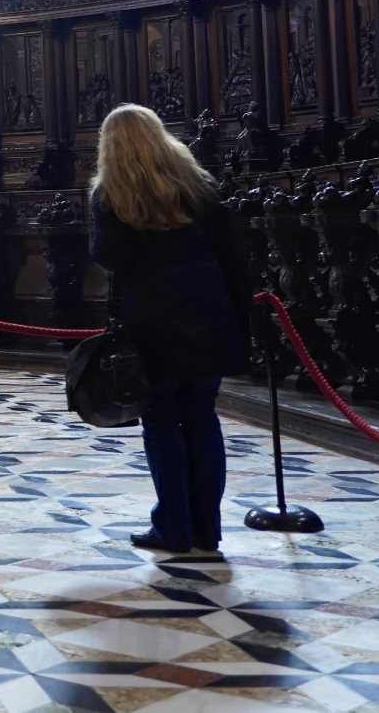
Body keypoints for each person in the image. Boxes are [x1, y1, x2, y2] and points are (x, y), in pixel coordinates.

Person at [88, 104, 255, 555]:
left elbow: (110, 258)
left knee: (161, 423)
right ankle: (206, 529)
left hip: (152, 326)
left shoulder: (111, 196)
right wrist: (247, 323)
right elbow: (235, 260)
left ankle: (173, 529)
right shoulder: (197, 187)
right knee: (202, 418)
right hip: (209, 317)